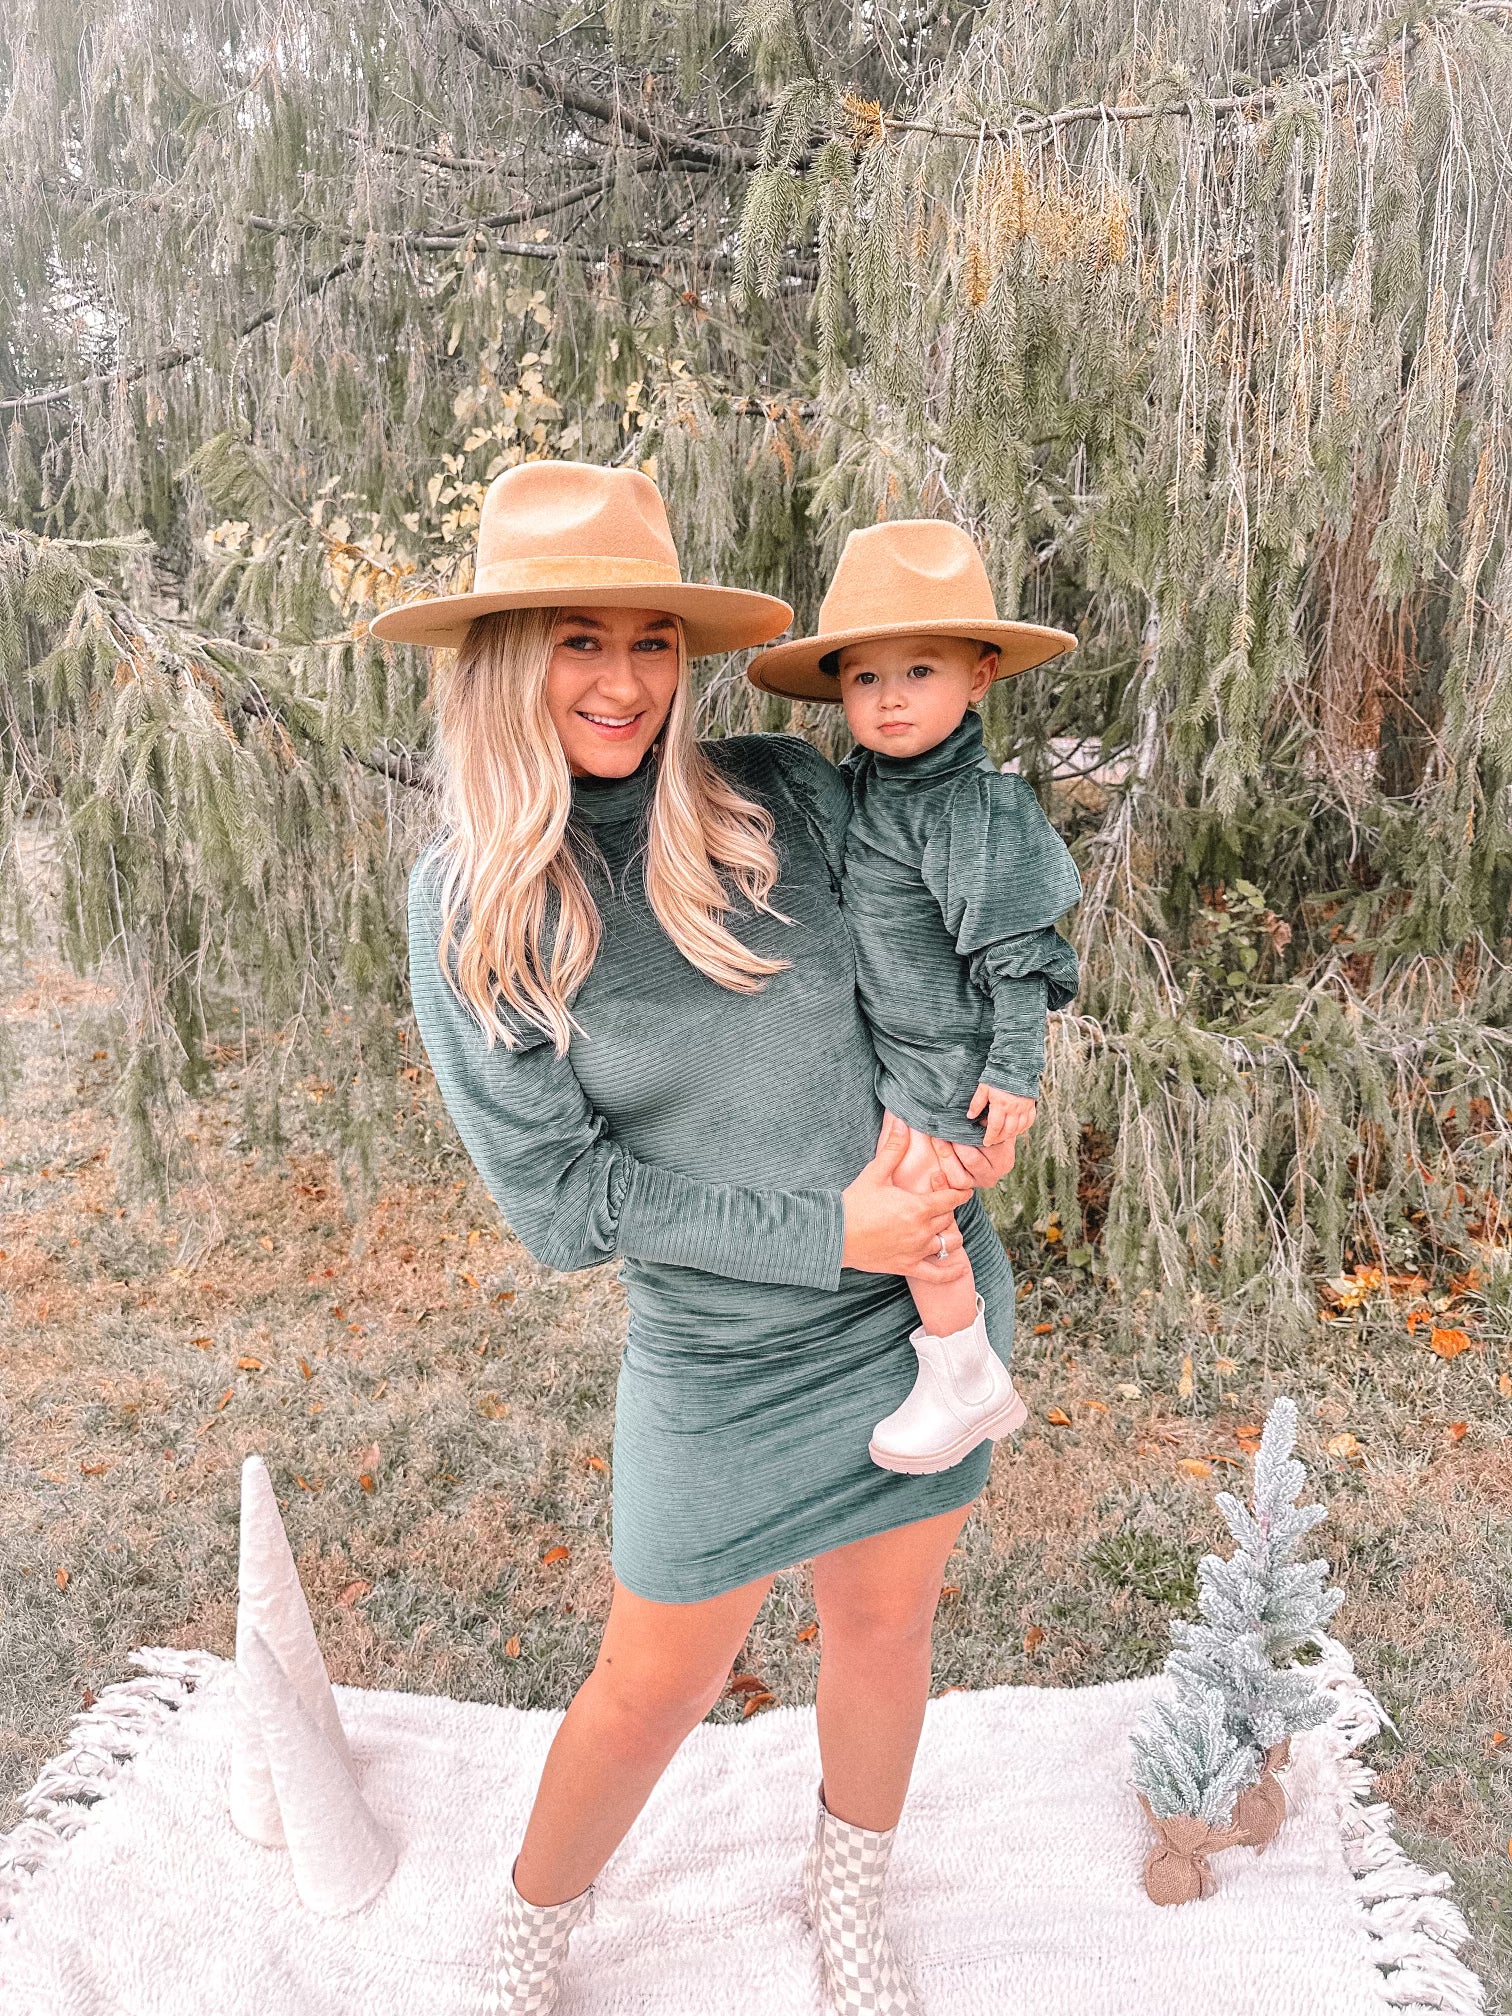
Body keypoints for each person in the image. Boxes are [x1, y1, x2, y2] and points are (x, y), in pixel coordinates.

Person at [373, 460, 1033, 2016]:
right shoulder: (476, 903)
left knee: (885, 1623)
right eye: (576, 640)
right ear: (503, 659)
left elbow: (944, 924)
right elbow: (565, 1205)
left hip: (916, 1314)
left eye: (651, 641)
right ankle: (529, 1940)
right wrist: (829, 1227)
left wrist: (984, 1088)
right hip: (722, 1353)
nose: (623, 683)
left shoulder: (782, 795)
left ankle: (848, 1904)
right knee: (651, 1685)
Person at [748, 520, 1081, 1477]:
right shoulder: (871, 785)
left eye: (920, 671)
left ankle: (965, 1376)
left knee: (919, 1216)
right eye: (866, 678)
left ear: (980, 675)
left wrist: (1012, 1070)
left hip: (951, 1061)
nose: (890, 698)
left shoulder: (973, 809)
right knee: (899, 1192)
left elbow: (1017, 955)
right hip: (897, 1050)